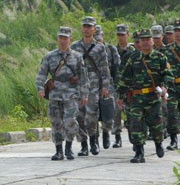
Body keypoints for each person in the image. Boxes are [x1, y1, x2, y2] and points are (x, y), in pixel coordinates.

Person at [116, 28, 173, 163]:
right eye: (143, 40)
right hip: (136, 98)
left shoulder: (160, 58)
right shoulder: (133, 58)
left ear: (153, 41)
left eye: (148, 39)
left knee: (156, 125)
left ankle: (158, 143)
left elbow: (168, 75)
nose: (145, 42)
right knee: (136, 125)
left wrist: (164, 87)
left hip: (153, 97)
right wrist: (120, 95)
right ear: (139, 43)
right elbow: (125, 78)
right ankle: (139, 152)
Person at [36, 27, 89, 160]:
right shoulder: (49, 56)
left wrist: (84, 94)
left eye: (65, 38)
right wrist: (40, 88)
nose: (63, 41)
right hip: (55, 94)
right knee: (56, 122)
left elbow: (83, 77)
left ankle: (68, 148)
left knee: (69, 121)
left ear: (70, 39)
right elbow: (42, 73)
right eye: (61, 38)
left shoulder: (77, 57)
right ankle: (58, 150)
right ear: (57, 39)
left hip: (71, 94)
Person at [70, 16, 110, 156]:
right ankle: (83, 144)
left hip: (93, 85)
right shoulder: (74, 46)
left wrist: (105, 87)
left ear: (94, 29)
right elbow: (70, 66)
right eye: (84, 26)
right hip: (78, 86)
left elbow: (105, 69)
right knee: (78, 115)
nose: (87, 29)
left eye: (89, 26)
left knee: (92, 115)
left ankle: (93, 140)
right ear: (81, 28)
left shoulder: (100, 47)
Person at [94, 25, 120, 149]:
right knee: (93, 112)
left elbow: (116, 67)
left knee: (108, 112)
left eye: (99, 38)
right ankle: (95, 139)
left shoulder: (110, 49)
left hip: (108, 84)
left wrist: (116, 85)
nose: (98, 41)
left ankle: (106, 132)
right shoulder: (88, 49)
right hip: (92, 85)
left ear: (103, 36)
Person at [112, 24, 135, 148]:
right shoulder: (112, 51)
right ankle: (117, 136)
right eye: (118, 35)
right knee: (116, 111)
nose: (121, 37)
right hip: (117, 86)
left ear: (128, 34)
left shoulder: (133, 51)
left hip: (130, 87)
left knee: (131, 112)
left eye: (123, 34)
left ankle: (133, 134)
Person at [163, 19, 180, 150]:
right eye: (175, 31)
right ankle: (173, 139)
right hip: (173, 86)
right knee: (171, 112)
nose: (177, 33)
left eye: (179, 30)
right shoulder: (168, 50)